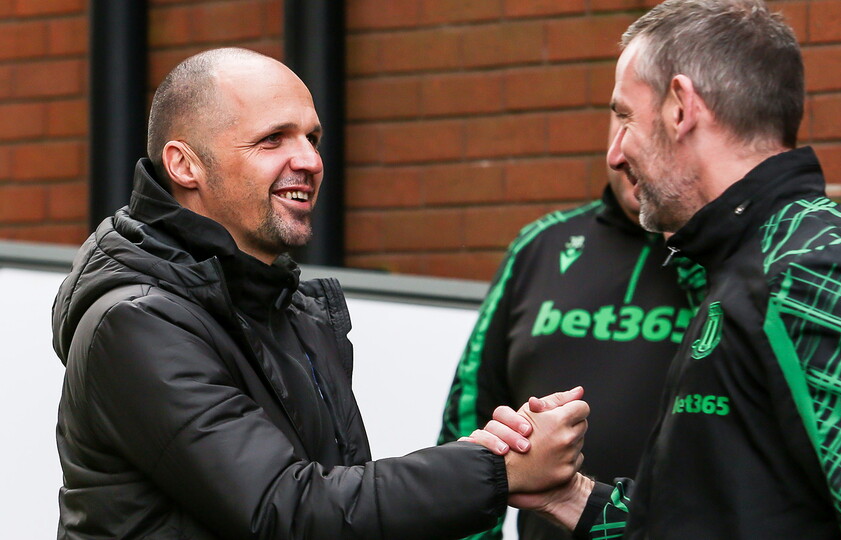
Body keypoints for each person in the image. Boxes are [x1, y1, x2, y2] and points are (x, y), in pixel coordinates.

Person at [52, 47, 590, 539]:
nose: (309, 160)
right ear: (184, 165)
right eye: (273, 139)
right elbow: (286, 509)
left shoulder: (280, 302)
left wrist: (492, 456)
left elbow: (337, 495)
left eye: (312, 138)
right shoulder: (139, 320)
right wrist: (495, 468)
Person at [474, 1, 841, 538]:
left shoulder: (816, 269)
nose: (615, 154)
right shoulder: (737, 260)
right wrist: (567, 495)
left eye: (626, 117)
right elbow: (709, 513)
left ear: (681, 108)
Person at [438, 113, 704, 540]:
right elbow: (468, 419)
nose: (623, 150)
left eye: (648, 125)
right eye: (621, 119)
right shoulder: (541, 244)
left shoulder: (729, 264)